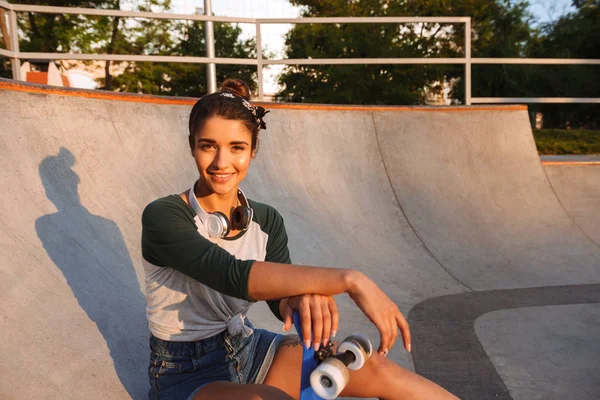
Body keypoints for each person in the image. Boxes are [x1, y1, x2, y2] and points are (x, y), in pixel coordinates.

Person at [141, 78, 458, 400]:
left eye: (237, 147)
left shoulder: (265, 220)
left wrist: (303, 296)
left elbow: (280, 302)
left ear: (253, 150)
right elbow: (230, 275)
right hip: (184, 373)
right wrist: (350, 280)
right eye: (208, 146)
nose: (222, 163)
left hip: (249, 349)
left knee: (379, 371)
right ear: (192, 144)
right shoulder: (164, 216)